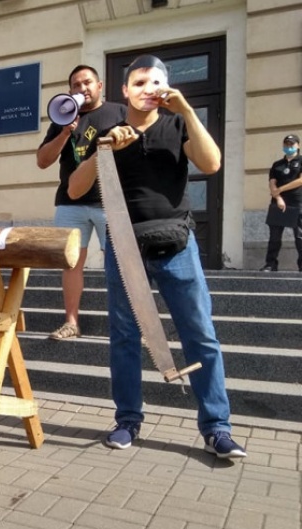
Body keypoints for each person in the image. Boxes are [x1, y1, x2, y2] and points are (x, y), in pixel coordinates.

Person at [68, 55, 246, 459]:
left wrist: (185, 110)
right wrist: (103, 150)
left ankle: (217, 427)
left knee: (200, 335)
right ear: (125, 91)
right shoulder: (109, 131)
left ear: (166, 88)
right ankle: (127, 420)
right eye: (140, 82)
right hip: (124, 248)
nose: (149, 88)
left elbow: (211, 163)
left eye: (156, 82)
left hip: (177, 245)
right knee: (126, 338)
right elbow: (76, 189)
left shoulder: (178, 124)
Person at [37, 65, 127, 340]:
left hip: (109, 201)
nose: (82, 88)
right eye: (76, 85)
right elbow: (42, 161)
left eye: (87, 82)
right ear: (70, 91)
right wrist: (64, 133)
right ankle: (71, 323)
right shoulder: (63, 116)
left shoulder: (119, 113)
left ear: (100, 86)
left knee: (122, 264)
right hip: (69, 203)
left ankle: (131, 324)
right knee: (71, 264)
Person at [259, 134, 302, 272]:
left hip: (297, 202)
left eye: (292, 144)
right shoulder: (277, 165)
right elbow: (272, 183)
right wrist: (278, 197)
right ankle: (271, 264)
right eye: (286, 144)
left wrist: (280, 190)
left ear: (298, 146)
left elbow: (300, 180)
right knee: (274, 237)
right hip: (278, 203)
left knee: (300, 236)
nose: (289, 147)